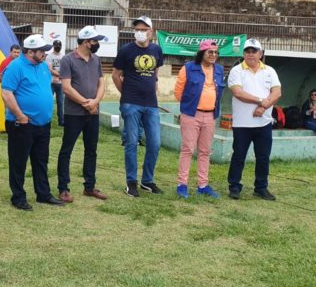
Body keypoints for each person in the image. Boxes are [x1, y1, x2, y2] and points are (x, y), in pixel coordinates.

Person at [1, 34, 64, 210]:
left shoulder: (43, 66)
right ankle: (18, 197)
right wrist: (20, 116)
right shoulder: (15, 67)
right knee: (18, 161)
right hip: (21, 123)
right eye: (42, 50)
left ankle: (43, 194)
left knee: (41, 160)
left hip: (43, 124)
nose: (45, 53)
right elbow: (6, 93)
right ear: (30, 51)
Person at [112, 16, 164, 197]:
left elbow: (156, 72)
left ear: (151, 31)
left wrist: (153, 87)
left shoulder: (157, 50)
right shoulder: (126, 50)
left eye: (144, 29)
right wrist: (125, 94)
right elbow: (115, 75)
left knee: (155, 142)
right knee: (132, 142)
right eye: (138, 29)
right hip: (131, 103)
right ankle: (131, 182)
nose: (140, 32)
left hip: (151, 104)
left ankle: (147, 180)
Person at [226, 39, 282, 201]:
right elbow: (238, 93)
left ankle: (261, 187)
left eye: (254, 51)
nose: (250, 54)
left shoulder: (270, 71)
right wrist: (260, 101)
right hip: (242, 123)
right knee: (239, 156)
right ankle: (234, 186)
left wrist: (263, 107)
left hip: (263, 122)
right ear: (243, 54)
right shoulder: (237, 71)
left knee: (263, 157)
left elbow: (277, 93)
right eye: (247, 51)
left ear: (261, 54)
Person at [56, 26, 107, 202]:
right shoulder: (67, 60)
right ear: (86, 42)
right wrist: (87, 104)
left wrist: (95, 102)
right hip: (74, 113)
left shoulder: (96, 60)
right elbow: (66, 88)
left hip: (93, 113)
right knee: (66, 150)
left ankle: (90, 186)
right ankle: (63, 188)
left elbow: (102, 83)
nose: (97, 44)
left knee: (91, 150)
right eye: (95, 41)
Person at [173, 39, 224, 198]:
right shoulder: (188, 68)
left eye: (216, 52)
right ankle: (182, 184)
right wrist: (190, 105)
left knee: (205, 151)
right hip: (191, 114)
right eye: (210, 52)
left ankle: (203, 185)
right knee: (188, 149)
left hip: (210, 115)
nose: (213, 55)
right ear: (202, 53)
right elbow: (178, 92)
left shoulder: (219, 70)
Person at [46, 39, 65, 126]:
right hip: (51, 83)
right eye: (56, 46)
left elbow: (65, 69)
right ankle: (47, 120)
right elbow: (50, 69)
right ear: (53, 46)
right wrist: (59, 75)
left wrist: (60, 77)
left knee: (60, 103)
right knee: (48, 102)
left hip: (60, 84)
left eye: (59, 46)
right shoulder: (49, 57)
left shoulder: (63, 57)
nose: (58, 47)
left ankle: (61, 121)